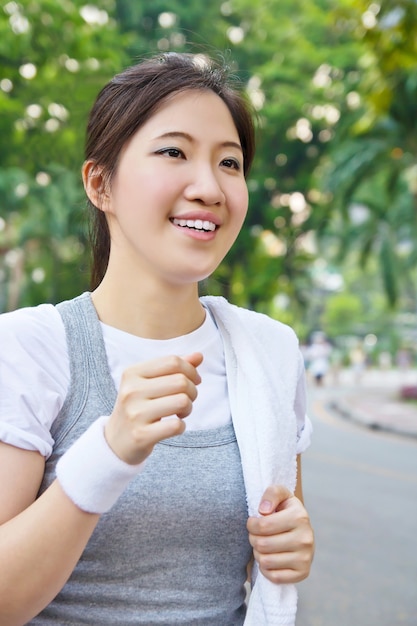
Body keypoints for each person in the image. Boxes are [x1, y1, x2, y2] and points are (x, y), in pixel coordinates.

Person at [0, 52, 314, 625]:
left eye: (230, 162)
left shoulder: (267, 354)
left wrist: (291, 545)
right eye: (174, 151)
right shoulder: (30, 349)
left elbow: (278, 527)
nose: (210, 187)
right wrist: (109, 451)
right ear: (101, 184)